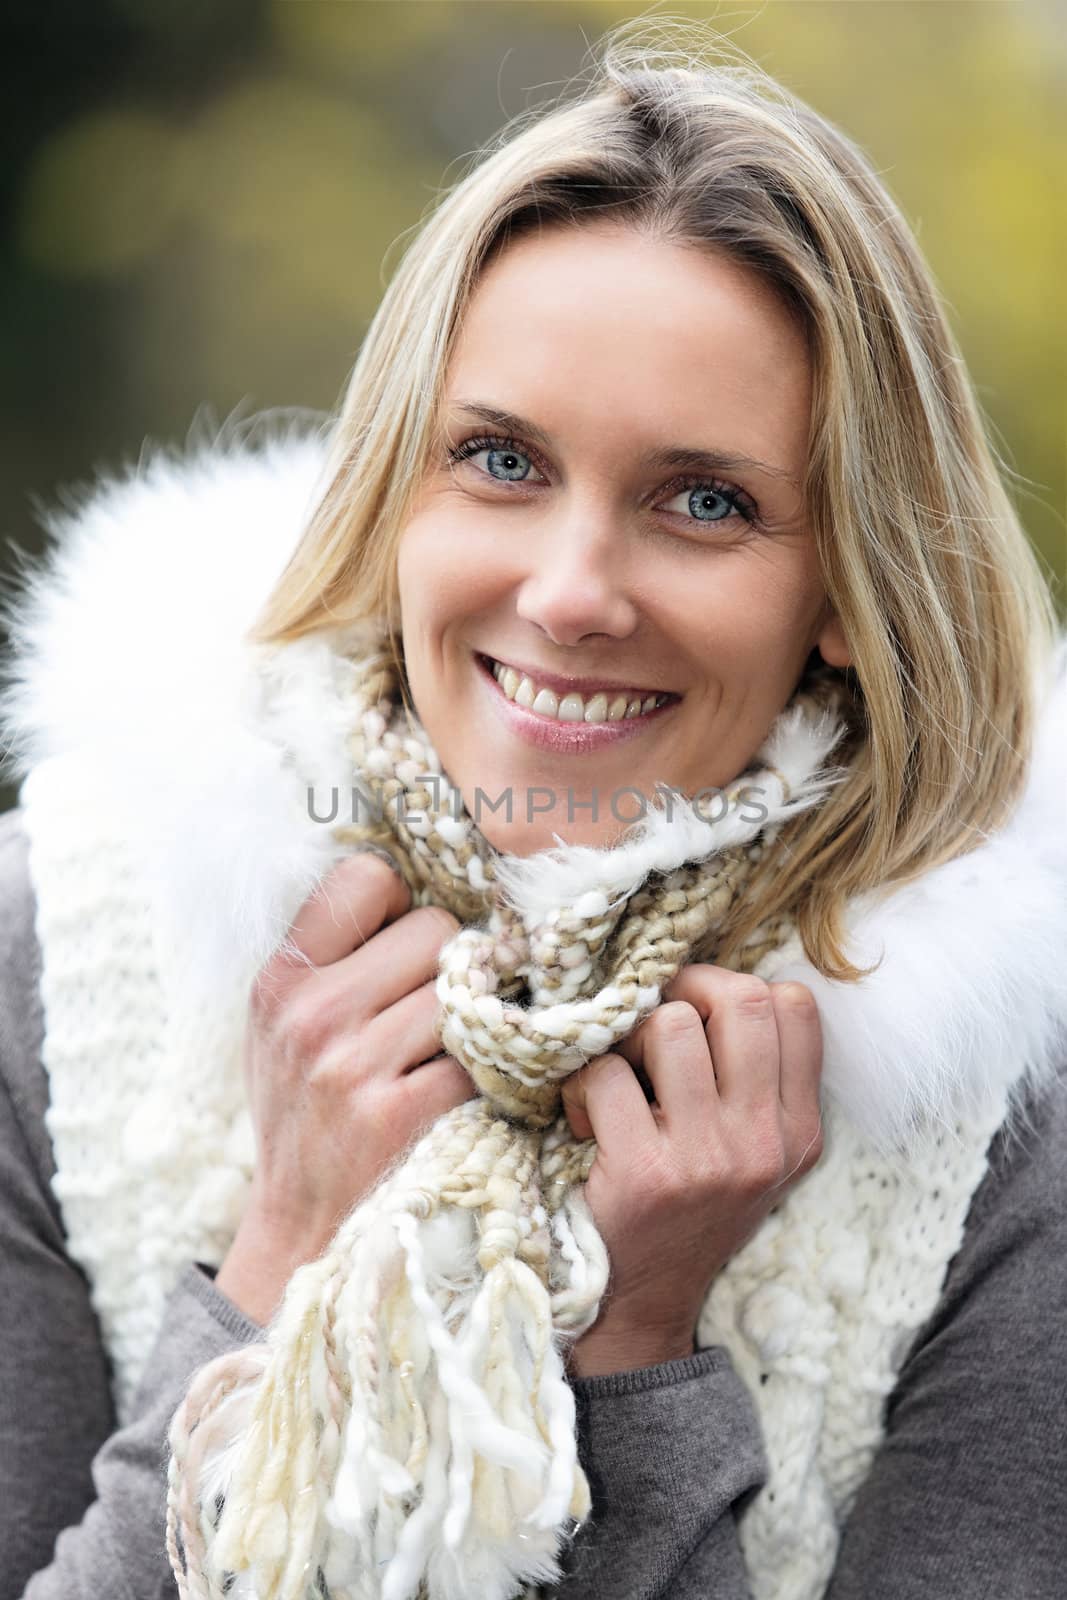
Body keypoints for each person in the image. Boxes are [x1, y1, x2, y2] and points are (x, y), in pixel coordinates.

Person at [1, 20, 1065, 1600]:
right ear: (392, 488)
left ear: (847, 586)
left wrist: (636, 1363)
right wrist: (284, 1253)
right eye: (498, 460)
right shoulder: (73, 934)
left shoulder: (1007, 1087)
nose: (569, 596)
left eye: (704, 502)